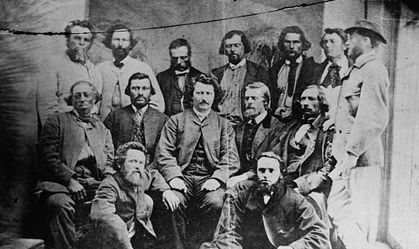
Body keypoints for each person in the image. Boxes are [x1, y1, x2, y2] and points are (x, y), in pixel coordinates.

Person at [155, 74, 240, 249]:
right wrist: (174, 177)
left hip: (209, 177)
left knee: (216, 202)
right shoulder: (176, 121)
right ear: (191, 95)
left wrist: (216, 179)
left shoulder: (224, 124)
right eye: (200, 92)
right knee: (173, 202)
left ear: (215, 96)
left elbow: (230, 156)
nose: (204, 98)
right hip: (182, 176)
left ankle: (204, 246)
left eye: (208, 93)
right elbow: (163, 152)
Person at [328, 19, 390, 249]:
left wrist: (352, 153)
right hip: (347, 157)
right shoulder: (357, 70)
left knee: (361, 217)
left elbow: (373, 117)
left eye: (351, 38)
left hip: (361, 158)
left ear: (365, 40)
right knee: (336, 208)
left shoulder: (374, 69)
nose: (347, 43)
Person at [36, 80, 114, 249]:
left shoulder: (101, 128)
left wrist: (108, 180)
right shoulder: (57, 121)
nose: (82, 99)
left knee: (118, 201)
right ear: (71, 100)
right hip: (62, 183)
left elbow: (109, 160)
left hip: (94, 181)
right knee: (59, 204)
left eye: (87, 95)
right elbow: (47, 158)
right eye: (77, 95)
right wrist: (70, 180)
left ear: (95, 99)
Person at [200, 152, 331, 249]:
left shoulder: (295, 200)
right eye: (262, 170)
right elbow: (229, 231)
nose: (266, 175)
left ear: (280, 174)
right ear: (256, 173)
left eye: (271, 171)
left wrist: (293, 248)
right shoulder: (243, 194)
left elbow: (319, 234)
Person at [84, 142, 180, 249]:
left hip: (135, 238)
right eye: (133, 161)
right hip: (112, 241)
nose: (137, 167)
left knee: (148, 201)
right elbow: (103, 215)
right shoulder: (110, 184)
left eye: (141, 163)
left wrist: (166, 190)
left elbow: (154, 175)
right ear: (120, 164)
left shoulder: (140, 177)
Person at [267, 85, 336, 227]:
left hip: (311, 186)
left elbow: (329, 167)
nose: (305, 103)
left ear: (322, 103)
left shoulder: (328, 129)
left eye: (311, 99)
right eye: (303, 99)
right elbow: (275, 154)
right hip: (284, 181)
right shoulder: (293, 127)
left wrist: (301, 185)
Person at [37, 20, 102, 124]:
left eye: (86, 40)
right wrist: (53, 132)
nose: (81, 43)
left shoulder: (94, 70)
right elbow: (47, 105)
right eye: (77, 38)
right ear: (67, 40)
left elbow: (96, 105)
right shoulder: (52, 64)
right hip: (62, 128)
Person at [98, 23, 164, 120]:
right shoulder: (100, 69)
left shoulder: (143, 68)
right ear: (109, 43)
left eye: (124, 40)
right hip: (105, 129)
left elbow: (158, 104)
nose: (120, 44)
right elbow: (92, 102)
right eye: (116, 39)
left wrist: (138, 122)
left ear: (130, 44)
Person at [104, 72, 169, 166]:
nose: (140, 93)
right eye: (135, 88)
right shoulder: (114, 117)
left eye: (145, 88)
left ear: (151, 92)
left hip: (151, 171)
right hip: (119, 170)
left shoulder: (162, 120)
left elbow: (164, 153)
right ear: (128, 91)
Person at [229, 82, 283, 188]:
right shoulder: (239, 128)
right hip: (236, 177)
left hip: (263, 180)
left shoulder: (277, 127)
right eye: (247, 98)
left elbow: (271, 162)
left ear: (266, 102)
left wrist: (244, 176)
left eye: (254, 98)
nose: (249, 102)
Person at [211, 30, 269, 125]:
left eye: (237, 45)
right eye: (228, 46)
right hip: (220, 126)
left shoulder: (258, 71)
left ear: (244, 47)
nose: (233, 49)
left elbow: (265, 102)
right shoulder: (217, 74)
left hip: (245, 125)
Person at [269, 26, 317, 121]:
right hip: (276, 121)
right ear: (282, 44)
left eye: (296, 42)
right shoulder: (275, 69)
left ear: (303, 44)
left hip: (300, 121)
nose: (291, 46)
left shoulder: (313, 68)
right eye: (287, 42)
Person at [312, 28, 349, 126]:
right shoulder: (316, 70)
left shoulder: (353, 70)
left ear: (344, 45)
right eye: (325, 42)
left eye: (332, 41)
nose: (327, 45)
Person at [157, 38, 203, 117]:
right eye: (175, 58)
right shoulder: (161, 78)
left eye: (183, 58)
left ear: (189, 56)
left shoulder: (200, 77)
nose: (179, 62)